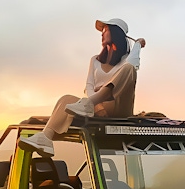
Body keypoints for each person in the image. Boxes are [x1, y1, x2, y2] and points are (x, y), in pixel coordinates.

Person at [19, 18, 146, 157]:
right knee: (66, 99)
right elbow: (88, 86)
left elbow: (133, 65)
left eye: (105, 30)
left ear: (116, 33)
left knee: (129, 69)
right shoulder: (95, 60)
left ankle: (89, 103)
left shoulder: (126, 60)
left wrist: (138, 45)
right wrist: (97, 106)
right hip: (97, 106)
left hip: (119, 107)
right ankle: (46, 137)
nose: (101, 34)